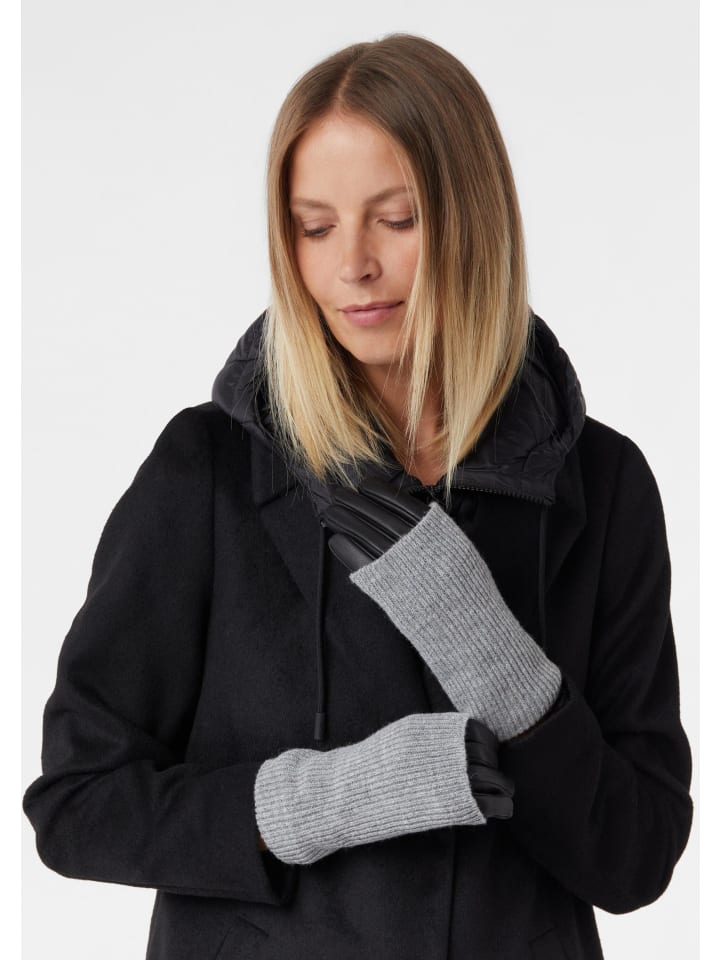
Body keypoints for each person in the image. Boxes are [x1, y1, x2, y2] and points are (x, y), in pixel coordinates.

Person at [23, 33, 693, 960]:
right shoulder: (207, 470)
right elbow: (77, 805)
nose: (354, 266)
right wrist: (329, 800)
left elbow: (637, 858)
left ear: (473, 219)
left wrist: (494, 657)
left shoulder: (602, 483)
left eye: (397, 218)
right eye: (315, 227)